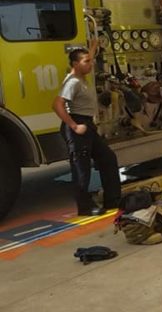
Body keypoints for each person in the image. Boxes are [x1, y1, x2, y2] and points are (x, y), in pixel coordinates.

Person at [52, 40, 121, 216]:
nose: (90, 64)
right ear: (75, 64)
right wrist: (74, 126)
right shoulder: (73, 82)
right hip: (77, 125)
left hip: (88, 125)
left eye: (90, 61)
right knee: (81, 169)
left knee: (108, 158)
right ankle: (85, 207)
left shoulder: (83, 77)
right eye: (86, 61)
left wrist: (94, 46)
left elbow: (88, 56)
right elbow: (57, 105)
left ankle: (113, 200)